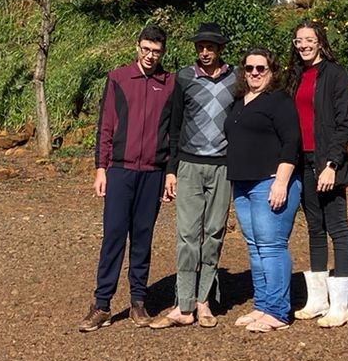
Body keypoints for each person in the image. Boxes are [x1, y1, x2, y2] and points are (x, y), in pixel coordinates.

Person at [79, 25, 178, 332]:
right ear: (137, 47)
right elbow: (106, 125)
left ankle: (138, 301)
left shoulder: (171, 83)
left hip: (153, 171)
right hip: (120, 170)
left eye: (157, 51)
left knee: (143, 238)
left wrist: (170, 171)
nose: (150, 56)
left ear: (163, 52)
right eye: (146, 49)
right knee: (113, 236)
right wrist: (101, 168)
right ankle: (102, 304)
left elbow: (174, 133)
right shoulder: (118, 78)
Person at [150, 22, 237, 330]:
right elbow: (174, 125)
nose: (204, 52)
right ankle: (183, 303)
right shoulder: (184, 77)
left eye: (210, 47)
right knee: (187, 235)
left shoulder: (236, 78)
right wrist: (171, 169)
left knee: (214, 233)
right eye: (200, 46)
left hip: (223, 167)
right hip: (188, 164)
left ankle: (204, 301)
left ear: (220, 49)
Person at [225, 47, 301, 333]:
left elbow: (291, 141)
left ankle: (279, 312)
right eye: (249, 68)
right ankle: (263, 305)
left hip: (270, 182)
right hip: (242, 183)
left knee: (271, 247)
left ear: (272, 71)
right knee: (255, 248)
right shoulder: (239, 101)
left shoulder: (278, 100)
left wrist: (281, 181)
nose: (255, 73)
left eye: (261, 68)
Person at [289, 20, 348, 328]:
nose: (303, 45)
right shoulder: (296, 76)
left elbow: (345, 124)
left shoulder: (335, 74)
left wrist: (331, 163)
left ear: (320, 42)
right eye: (298, 40)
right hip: (302, 161)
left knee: (337, 229)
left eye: (309, 40)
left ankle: (340, 306)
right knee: (314, 229)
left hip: (327, 161)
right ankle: (317, 300)